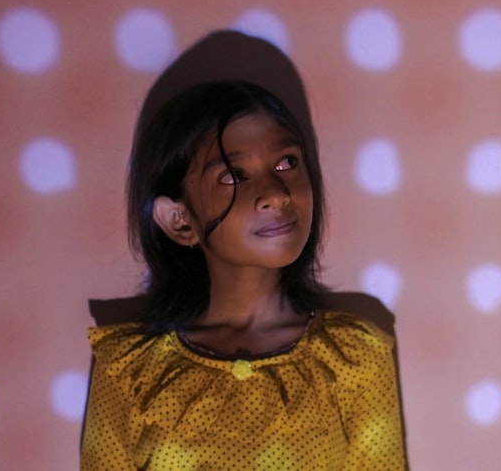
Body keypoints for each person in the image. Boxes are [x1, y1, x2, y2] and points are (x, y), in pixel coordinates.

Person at [81, 32, 406, 470]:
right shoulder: (128, 371)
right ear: (179, 221)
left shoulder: (354, 359)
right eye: (234, 174)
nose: (274, 193)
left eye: (287, 163)